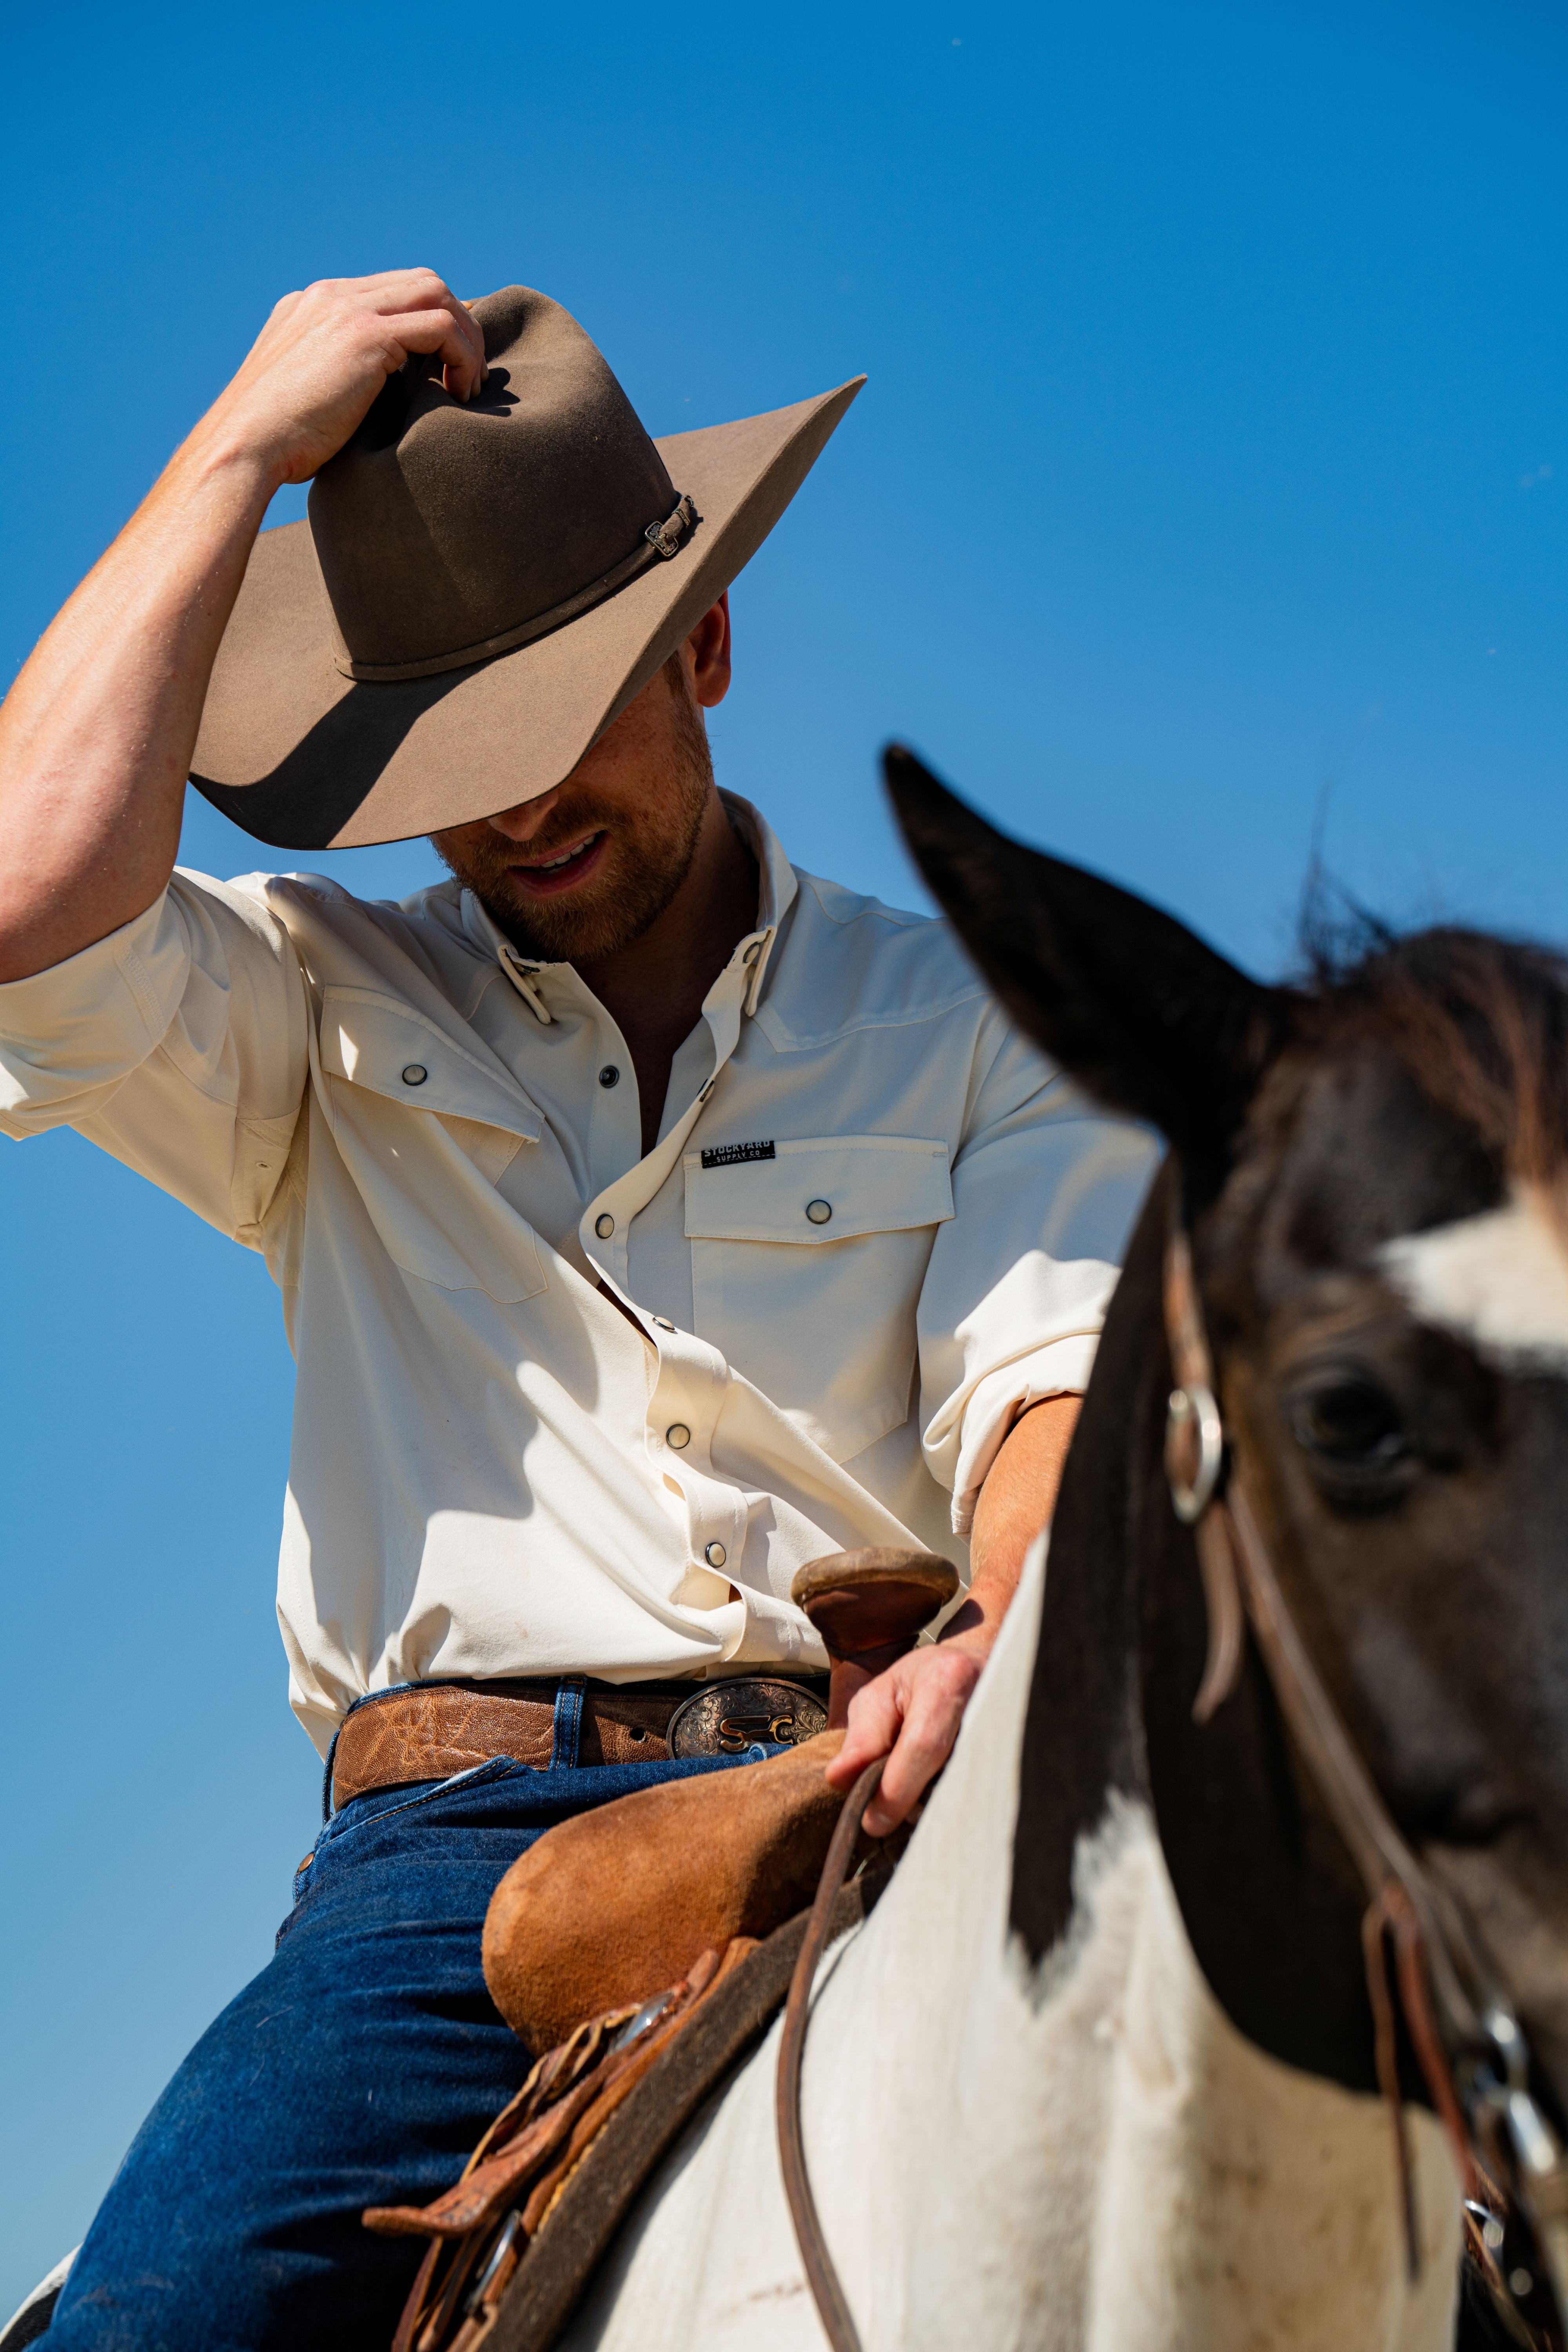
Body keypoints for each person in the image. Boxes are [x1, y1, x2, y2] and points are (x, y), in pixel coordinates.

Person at [0, 271, 1158, 2347]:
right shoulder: (304, 1011)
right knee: (157, 2325)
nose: (522, 807)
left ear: (707, 642)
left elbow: (1051, 1399)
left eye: (567, 723)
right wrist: (235, 449)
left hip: (898, 1771)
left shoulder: (971, 1019)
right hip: (445, 1885)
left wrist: (998, 1642)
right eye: (456, 754)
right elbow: (19, 899)